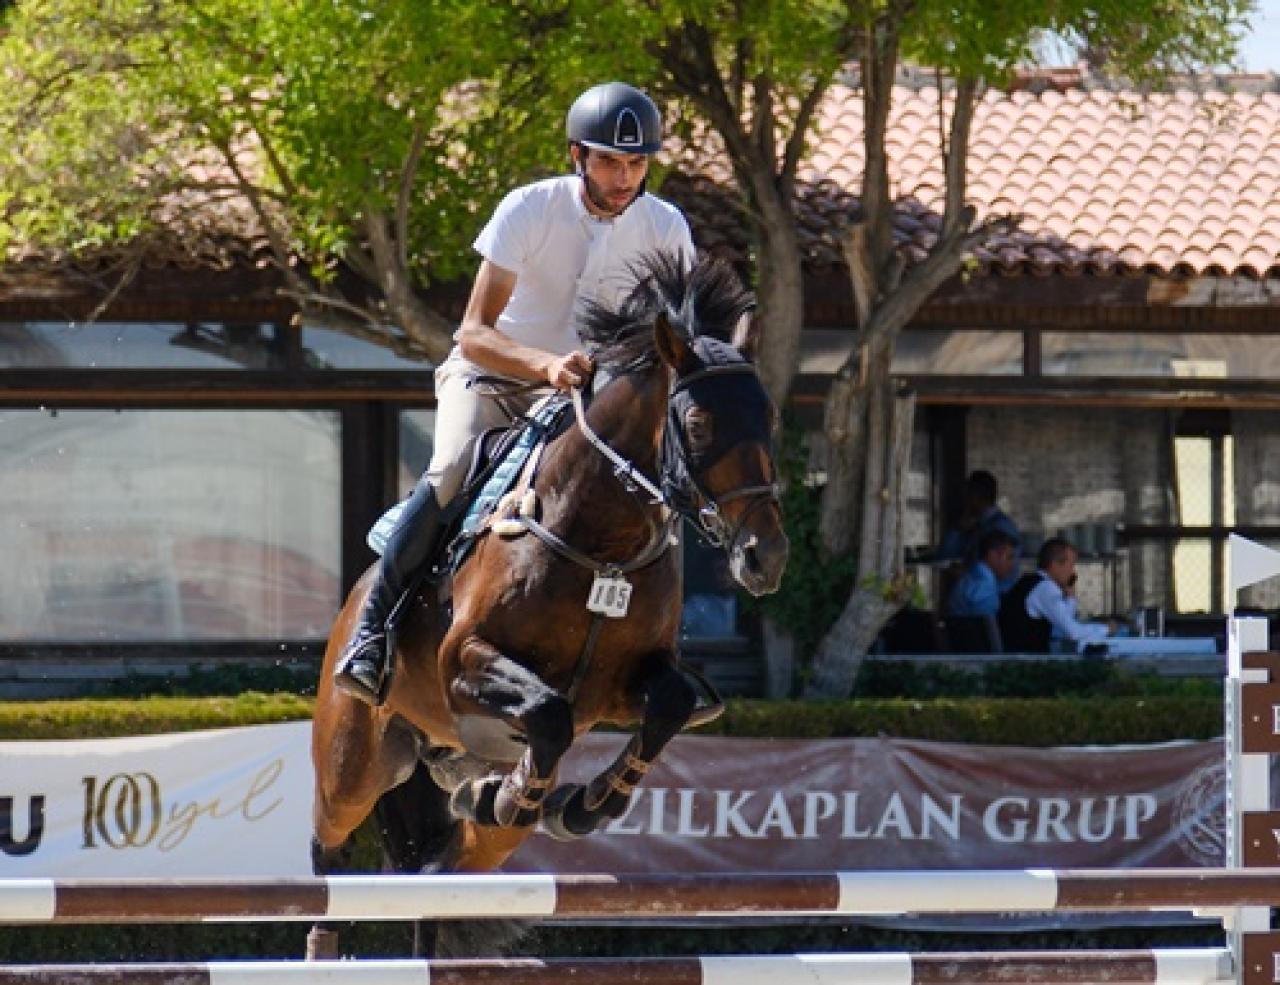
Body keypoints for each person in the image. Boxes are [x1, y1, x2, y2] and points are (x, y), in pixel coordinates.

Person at [334, 82, 696, 705]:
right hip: (491, 380)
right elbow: (472, 334)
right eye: (610, 160)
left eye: (637, 163)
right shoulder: (528, 210)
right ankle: (372, 635)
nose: (625, 177)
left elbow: (679, 337)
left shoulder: (665, 228)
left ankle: (660, 657)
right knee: (449, 471)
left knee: (652, 490)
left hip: (579, 401)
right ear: (576, 155)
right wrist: (545, 364)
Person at [998, 537, 1119, 653]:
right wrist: (1106, 629)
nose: (1073, 572)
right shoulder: (1045, 588)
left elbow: (1061, 628)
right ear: (1055, 565)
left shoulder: (1030, 583)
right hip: (1028, 661)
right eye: (1071, 565)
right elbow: (1073, 633)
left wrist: (1070, 598)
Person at [946, 529, 1019, 618]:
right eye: (1009, 557)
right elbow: (985, 630)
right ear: (992, 555)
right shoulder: (985, 586)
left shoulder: (970, 576)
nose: (1012, 564)